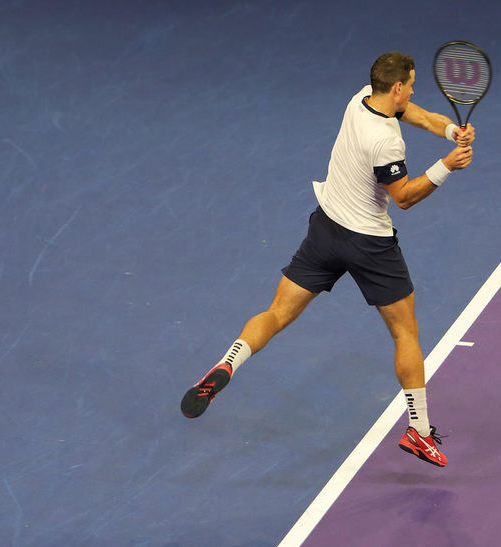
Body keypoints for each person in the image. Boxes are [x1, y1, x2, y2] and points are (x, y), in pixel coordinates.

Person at [180, 52, 474, 467]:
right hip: (369, 245)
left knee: (277, 313)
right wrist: (448, 164)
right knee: (405, 334)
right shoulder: (386, 141)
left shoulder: (360, 100)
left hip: (326, 229)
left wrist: (449, 130)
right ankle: (419, 431)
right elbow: (405, 197)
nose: (412, 90)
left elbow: (416, 114)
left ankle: (228, 362)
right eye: (409, 84)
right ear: (396, 87)